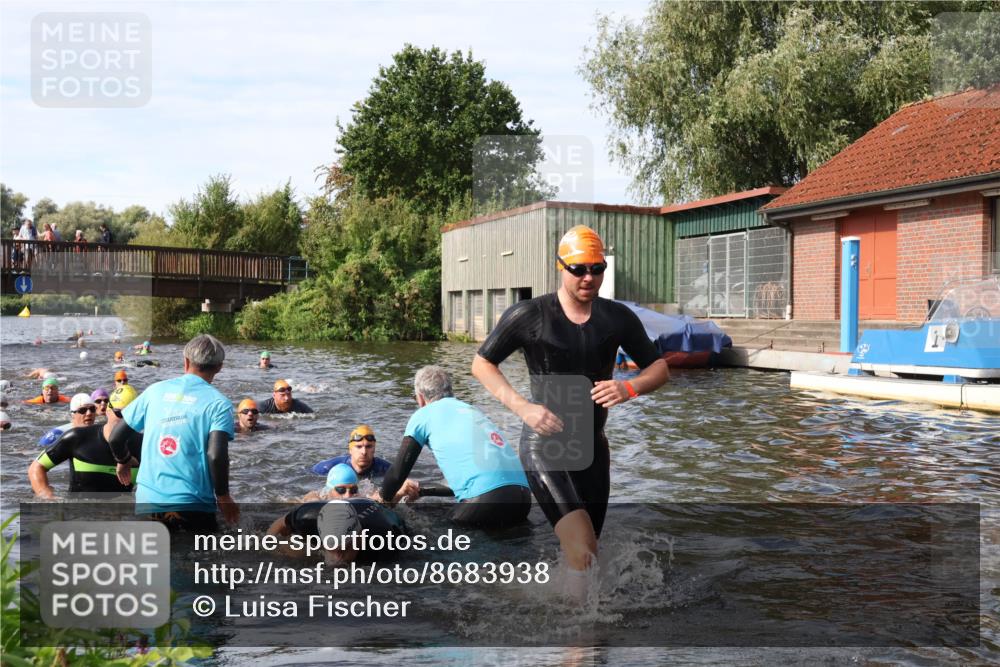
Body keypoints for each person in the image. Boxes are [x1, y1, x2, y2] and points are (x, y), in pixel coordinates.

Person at [471, 225, 670, 596]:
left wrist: (629, 387)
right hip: (545, 447)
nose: (588, 277)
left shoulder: (617, 318)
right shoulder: (529, 315)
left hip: (593, 449)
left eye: (596, 269)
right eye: (578, 269)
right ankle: (580, 642)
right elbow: (482, 364)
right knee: (581, 547)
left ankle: (568, 621)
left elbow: (659, 369)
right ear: (560, 267)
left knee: (586, 555)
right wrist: (523, 408)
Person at [108, 334, 238, 532]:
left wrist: (123, 460)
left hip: (148, 502)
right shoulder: (219, 404)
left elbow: (116, 437)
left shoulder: (154, 391)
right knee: (201, 561)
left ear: (185, 361)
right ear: (220, 367)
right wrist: (223, 496)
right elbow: (216, 455)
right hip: (193, 503)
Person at [380, 366, 531, 528]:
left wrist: (383, 500)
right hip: (523, 498)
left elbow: (397, 473)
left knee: (436, 538)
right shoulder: (472, 410)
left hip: (487, 501)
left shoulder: (423, 414)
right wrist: (422, 491)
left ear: (420, 398)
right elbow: (472, 481)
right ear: (450, 391)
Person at [269, 464, 409, 565]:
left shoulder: (383, 543)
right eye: (333, 548)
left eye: (344, 548)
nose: (338, 557)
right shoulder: (308, 515)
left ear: (358, 536)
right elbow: (281, 525)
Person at [28, 390, 142, 498]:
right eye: (120, 413)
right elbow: (37, 467)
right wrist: (47, 496)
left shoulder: (143, 444)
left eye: (131, 415)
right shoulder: (77, 438)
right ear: (107, 410)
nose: (125, 420)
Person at [309, 425, 418, 503]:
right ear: (350, 450)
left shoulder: (387, 470)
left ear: (374, 449)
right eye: (359, 447)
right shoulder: (326, 468)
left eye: (369, 447)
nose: (364, 452)